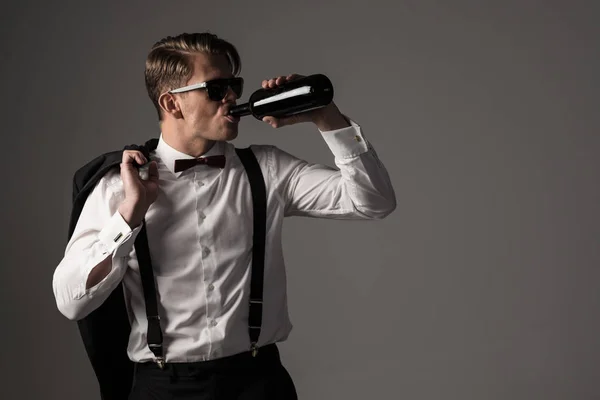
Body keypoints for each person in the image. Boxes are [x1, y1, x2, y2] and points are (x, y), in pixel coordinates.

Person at [52, 31, 396, 399]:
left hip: (259, 382)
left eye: (235, 84)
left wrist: (326, 117)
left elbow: (373, 201)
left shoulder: (266, 168)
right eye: (216, 89)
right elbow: (72, 301)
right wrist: (128, 217)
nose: (233, 97)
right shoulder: (119, 186)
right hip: (162, 388)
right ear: (172, 103)